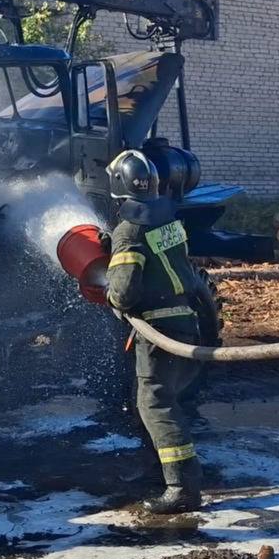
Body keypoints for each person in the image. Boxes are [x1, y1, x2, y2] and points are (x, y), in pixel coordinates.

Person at [104, 149, 211, 514]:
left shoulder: (128, 231)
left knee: (156, 404)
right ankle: (161, 468)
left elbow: (123, 292)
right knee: (154, 399)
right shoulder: (168, 223)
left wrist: (109, 289)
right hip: (185, 321)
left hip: (158, 330)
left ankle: (182, 487)